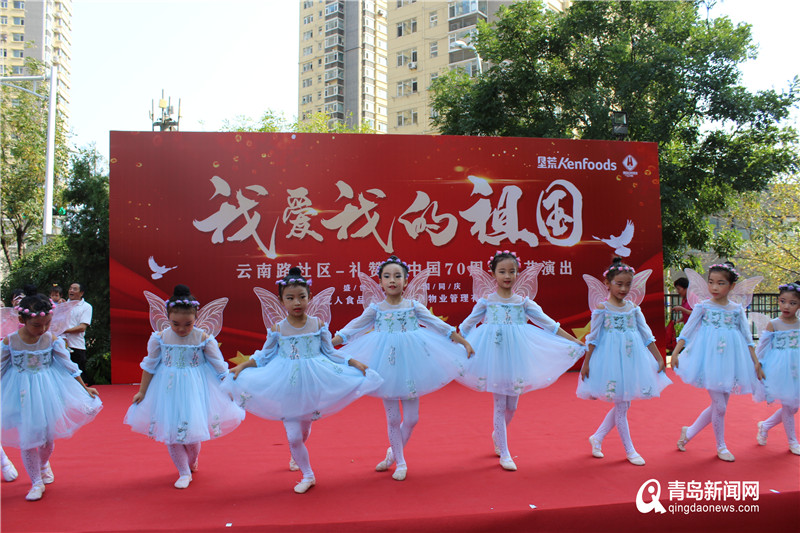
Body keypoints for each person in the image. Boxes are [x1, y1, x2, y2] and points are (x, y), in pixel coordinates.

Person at [224, 268, 382, 493]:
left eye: (301, 297)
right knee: (294, 435)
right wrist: (242, 366)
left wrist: (353, 362)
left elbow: (330, 353)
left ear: (310, 297)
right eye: (290, 298)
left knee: (304, 429)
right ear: (281, 301)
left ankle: (296, 453)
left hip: (312, 383)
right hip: (285, 384)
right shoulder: (278, 329)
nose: (296, 302)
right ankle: (308, 475)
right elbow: (264, 356)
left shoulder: (318, 325)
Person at [332, 256, 474, 481]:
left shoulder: (413, 306)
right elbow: (351, 329)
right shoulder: (376, 309)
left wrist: (463, 342)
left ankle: (391, 454)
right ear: (380, 282)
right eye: (387, 276)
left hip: (410, 365)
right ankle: (400, 461)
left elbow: (439, 325)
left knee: (411, 419)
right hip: (384, 365)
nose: (392, 280)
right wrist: (329, 344)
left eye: (397, 276)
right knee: (392, 418)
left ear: (406, 281)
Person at [458, 251, 585, 471]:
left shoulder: (523, 303)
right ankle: (505, 452)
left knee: (512, 406)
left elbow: (549, 325)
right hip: (494, 358)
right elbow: (467, 325)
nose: (507, 276)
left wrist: (573, 341)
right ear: (493, 274)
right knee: (500, 405)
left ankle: (498, 434)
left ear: (518, 273)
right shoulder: (487, 302)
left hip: (517, 358)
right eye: (502, 271)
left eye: (512, 271)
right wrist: (464, 346)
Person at [124, 284, 245, 489]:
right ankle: (184, 472)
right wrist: (142, 391)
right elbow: (150, 366)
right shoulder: (160, 338)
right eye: (175, 324)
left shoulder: (203, 338)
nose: (181, 329)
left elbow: (219, 368)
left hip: (194, 390)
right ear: (167, 318)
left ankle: (192, 460)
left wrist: (229, 388)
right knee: (172, 433)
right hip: (167, 389)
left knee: (192, 434)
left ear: (196, 318)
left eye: (188, 324)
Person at [1, 285, 102, 501]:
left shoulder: (51, 339)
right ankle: (36, 482)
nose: (43, 329)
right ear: (23, 320)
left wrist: (84, 387)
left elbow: (69, 365)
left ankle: (43, 463)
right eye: (37, 325)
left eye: (47, 323)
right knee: (28, 438)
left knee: (47, 440)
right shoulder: (10, 341)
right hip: (20, 393)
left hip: (47, 391)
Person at [576, 258, 671, 466]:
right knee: (621, 405)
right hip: (610, 361)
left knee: (624, 403)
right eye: (619, 284)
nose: (624, 289)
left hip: (631, 360)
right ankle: (630, 450)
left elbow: (646, 335)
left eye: (628, 284)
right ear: (607, 283)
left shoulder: (633, 308)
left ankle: (597, 437)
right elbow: (593, 337)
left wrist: (658, 357)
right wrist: (586, 363)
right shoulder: (602, 308)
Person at [673, 262, 764, 462]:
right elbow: (687, 331)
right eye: (711, 282)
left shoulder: (737, 309)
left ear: (732, 286)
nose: (714, 287)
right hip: (708, 360)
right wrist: (676, 352)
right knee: (720, 407)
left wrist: (755, 362)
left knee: (718, 406)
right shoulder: (703, 306)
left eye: (720, 283)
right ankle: (721, 446)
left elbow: (747, 337)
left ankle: (689, 433)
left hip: (731, 361)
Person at [754, 281, 800, 455]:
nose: (786, 306)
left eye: (792, 303)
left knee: (794, 407)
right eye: (783, 301)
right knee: (788, 406)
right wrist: (758, 364)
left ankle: (765, 425)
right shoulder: (774, 324)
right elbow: (762, 347)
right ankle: (793, 441)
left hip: (797, 369)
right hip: (781, 369)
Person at [62, 283, 93, 375]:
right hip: (61, 346)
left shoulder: (86, 307)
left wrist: (63, 330)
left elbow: (82, 327)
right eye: (70, 288)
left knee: (77, 376)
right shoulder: (63, 305)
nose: (71, 290)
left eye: (75, 289)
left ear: (81, 293)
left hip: (76, 346)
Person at [666, 277, 692, 352]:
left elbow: (695, 314)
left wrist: (681, 309)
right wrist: (677, 321)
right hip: (688, 328)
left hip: (694, 330)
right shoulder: (684, 299)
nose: (677, 292)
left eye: (679, 289)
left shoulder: (693, 299)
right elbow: (686, 315)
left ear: (686, 289)